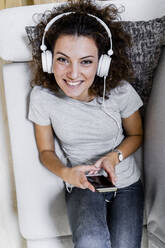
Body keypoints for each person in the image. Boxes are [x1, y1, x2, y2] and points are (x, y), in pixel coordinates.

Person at [28, 0, 144, 247]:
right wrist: (67, 174)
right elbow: (46, 151)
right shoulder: (42, 97)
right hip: (84, 184)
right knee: (91, 241)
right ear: (48, 60)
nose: (73, 73)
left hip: (127, 185)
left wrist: (114, 157)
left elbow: (136, 135)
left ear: (102, 63)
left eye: (86, 61)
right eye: (62, 59)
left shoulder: (120, 92)